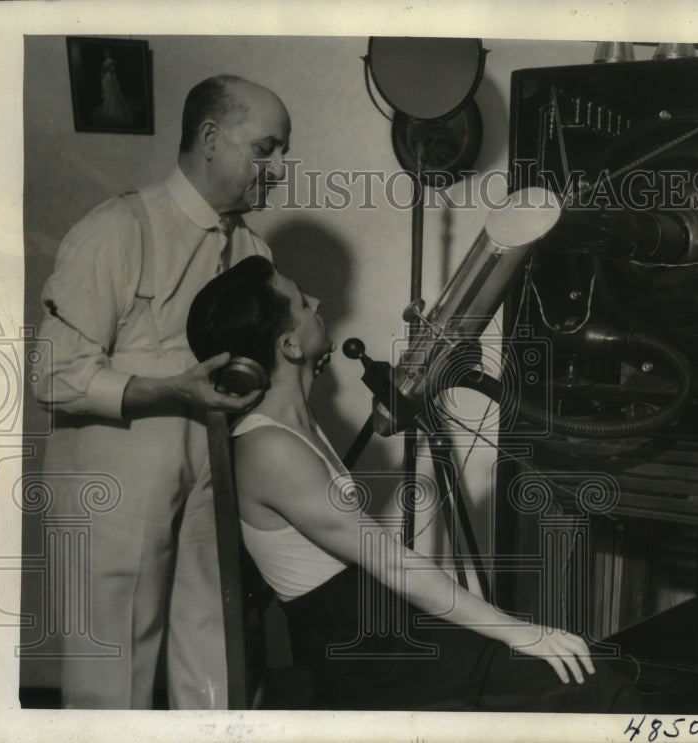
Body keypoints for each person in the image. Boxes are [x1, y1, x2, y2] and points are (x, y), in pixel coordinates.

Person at [185, 256, 647, 712]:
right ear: (289, 346)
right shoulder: (271, 448)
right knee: (595, 689)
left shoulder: (293, 426)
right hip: (369, 662)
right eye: (302, 302)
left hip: (389, 632)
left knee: (589, 671)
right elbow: (391, 563)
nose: (318, 301)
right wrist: (523, 632)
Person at [33, 75, 291, 709]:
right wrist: (172, 389)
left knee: (215, 657)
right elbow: (51, 374)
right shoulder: (118, 228)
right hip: (113, 474)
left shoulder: (252, 251)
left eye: (283, 152)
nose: (281, 169)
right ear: (210, 138)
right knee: (111, 674)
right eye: (266, 149)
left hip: (213, 468)